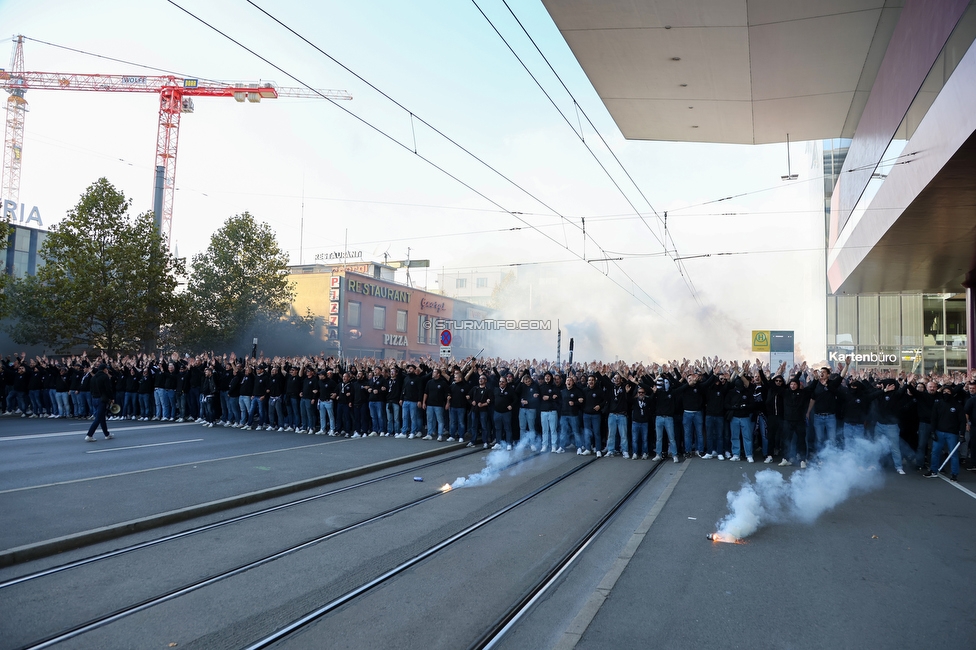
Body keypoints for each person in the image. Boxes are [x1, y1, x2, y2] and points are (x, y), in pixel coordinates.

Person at [84, 363, 115, 442]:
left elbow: (91, 388)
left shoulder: (93, 378)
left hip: (94, 398)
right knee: (98, 418)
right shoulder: (105, 377)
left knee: (101, 417)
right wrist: (111, 398)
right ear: (104, 369)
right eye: (106, 369)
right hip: (102, 399)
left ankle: (107, 434)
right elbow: (108, 389)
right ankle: (89, 434)